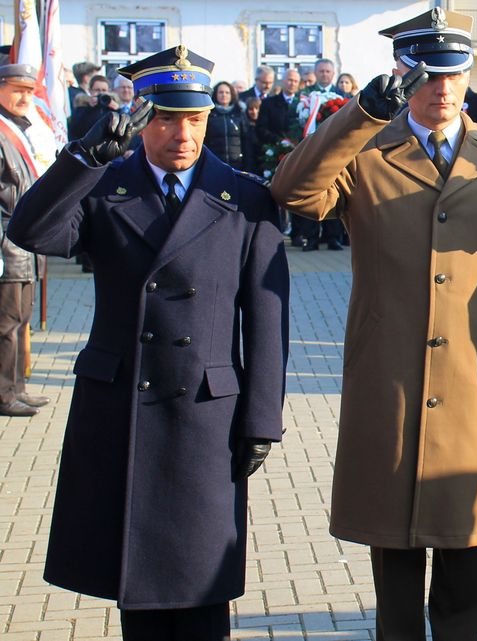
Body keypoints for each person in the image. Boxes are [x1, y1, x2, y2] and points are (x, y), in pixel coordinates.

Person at [270, 8, 477, 639]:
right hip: (387, 372)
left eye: (453, 73)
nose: (442, 89)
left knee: (466, 535)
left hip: (475, 375)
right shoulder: (367, 151)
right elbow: (294, 193)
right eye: (426, 75)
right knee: (391, 539)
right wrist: (358, 115)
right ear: (402, 76)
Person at [8, 45, 289, 640]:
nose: (181, 133)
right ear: (141, 118)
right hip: (122, 406)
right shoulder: (105, 187)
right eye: (165, 117)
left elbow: (267, 319)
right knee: (139, 586)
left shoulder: (244, 197)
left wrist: (263, 419)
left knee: (203, 579)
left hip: (208, 415)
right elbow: (30, 230)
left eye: (194, 118)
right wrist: (80, 157)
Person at [0, 63, 51, 417]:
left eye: (30, 91)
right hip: (6, 242)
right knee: (5, 324)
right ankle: (4, 394)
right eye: (17, 89)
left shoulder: (19, 130)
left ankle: (17, 387)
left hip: (25, 244)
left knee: (20, 320)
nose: (25, 97)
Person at [205, 80, 254, 170]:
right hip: (215, 163)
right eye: (221, 92)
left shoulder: (239, 113)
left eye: (227, 92)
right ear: (215, 94)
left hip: (237, 164)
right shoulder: (209, 114)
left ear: (232, 95)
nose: (224, 95)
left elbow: (246, 140)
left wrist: (248, 165)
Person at [256, 67, 301, 145]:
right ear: (283, 81)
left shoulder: (303, 103)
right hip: (275, 148)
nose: (292, 84)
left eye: (295, 81)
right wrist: (279, 141)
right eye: (290, 80)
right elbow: (261, 128)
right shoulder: (268, 103)